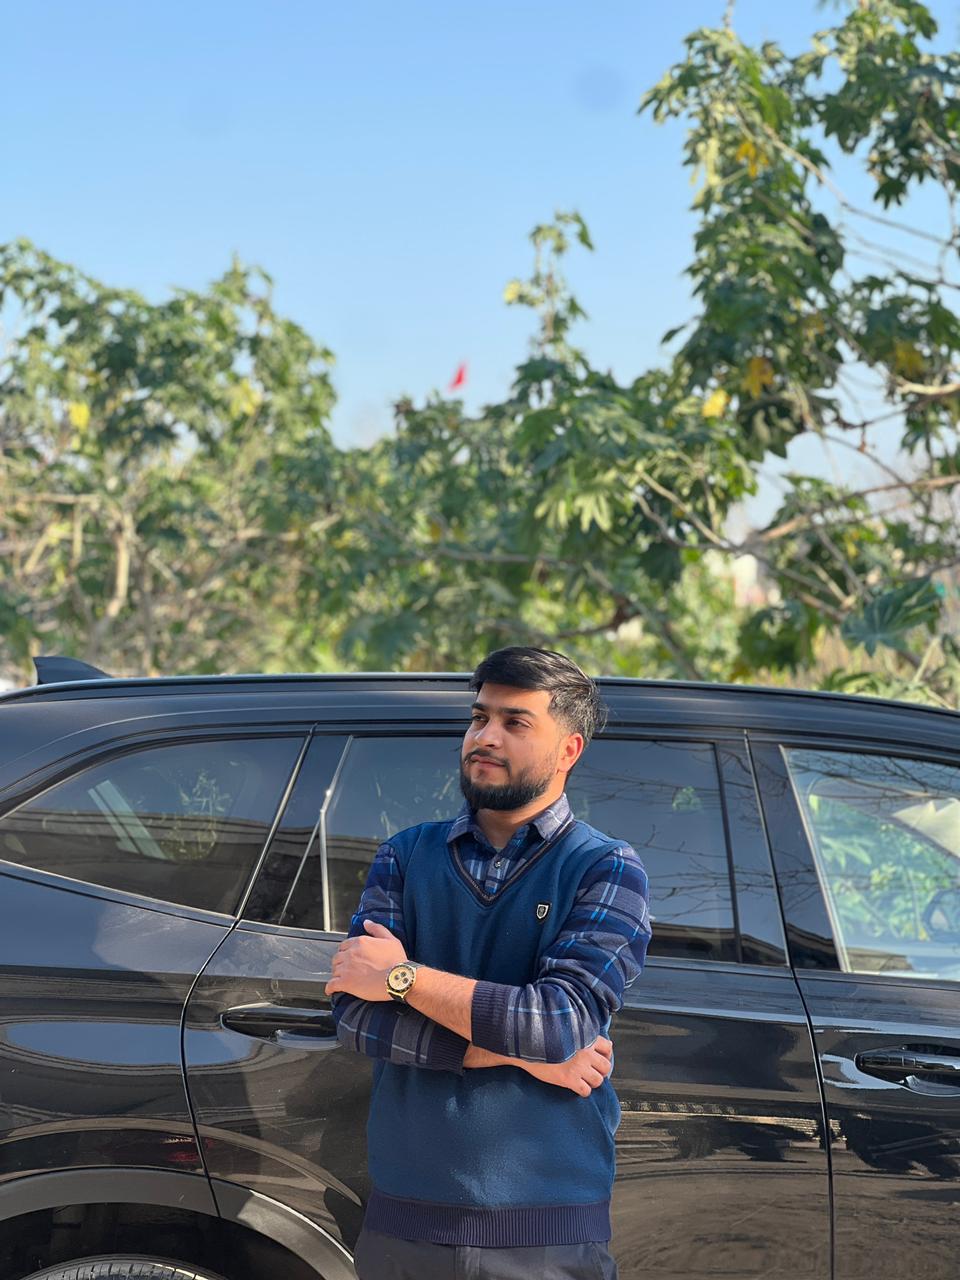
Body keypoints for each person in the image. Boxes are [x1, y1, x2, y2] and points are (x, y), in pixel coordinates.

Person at [327, 646, 652, 1280]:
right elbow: (356, 1021)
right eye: (480, 717)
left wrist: (400, 978)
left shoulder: (606, 868)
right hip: (403, 1223)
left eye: (514, 722)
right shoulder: (405, 855)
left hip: (546, 1234)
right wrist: (522, 1056)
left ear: (568, 750)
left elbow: (556, 1024)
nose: (484, 736)